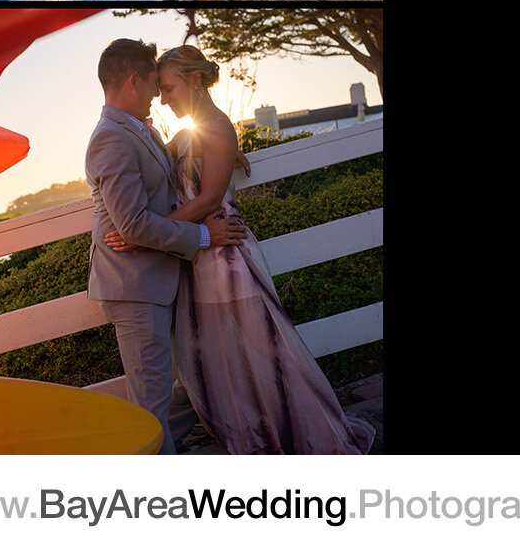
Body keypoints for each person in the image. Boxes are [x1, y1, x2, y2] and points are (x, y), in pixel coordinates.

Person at [103, 45, 375, 453]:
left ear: (195, 80)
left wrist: (140, 231)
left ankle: (296, 433)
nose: (163, 98)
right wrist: (226, 154)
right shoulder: (186, 134)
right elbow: (176, 165)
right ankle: (251, 435)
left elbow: (209, 199)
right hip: (198, 258)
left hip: (226, 256)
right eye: (158, 89)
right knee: (218, 360)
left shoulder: (219, 128)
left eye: (169, 87)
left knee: (263, 349)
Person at [85, 38, 246, 453]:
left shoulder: (135, 130)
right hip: (134, 285)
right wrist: (205, 236)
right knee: (151, 408)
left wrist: (226, 150)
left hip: (153, 280)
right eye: (155, 85)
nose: (159, 94)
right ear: (134, 81)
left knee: (185, 385)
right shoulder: (111, 138)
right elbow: (134, 226)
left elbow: (181, 151)